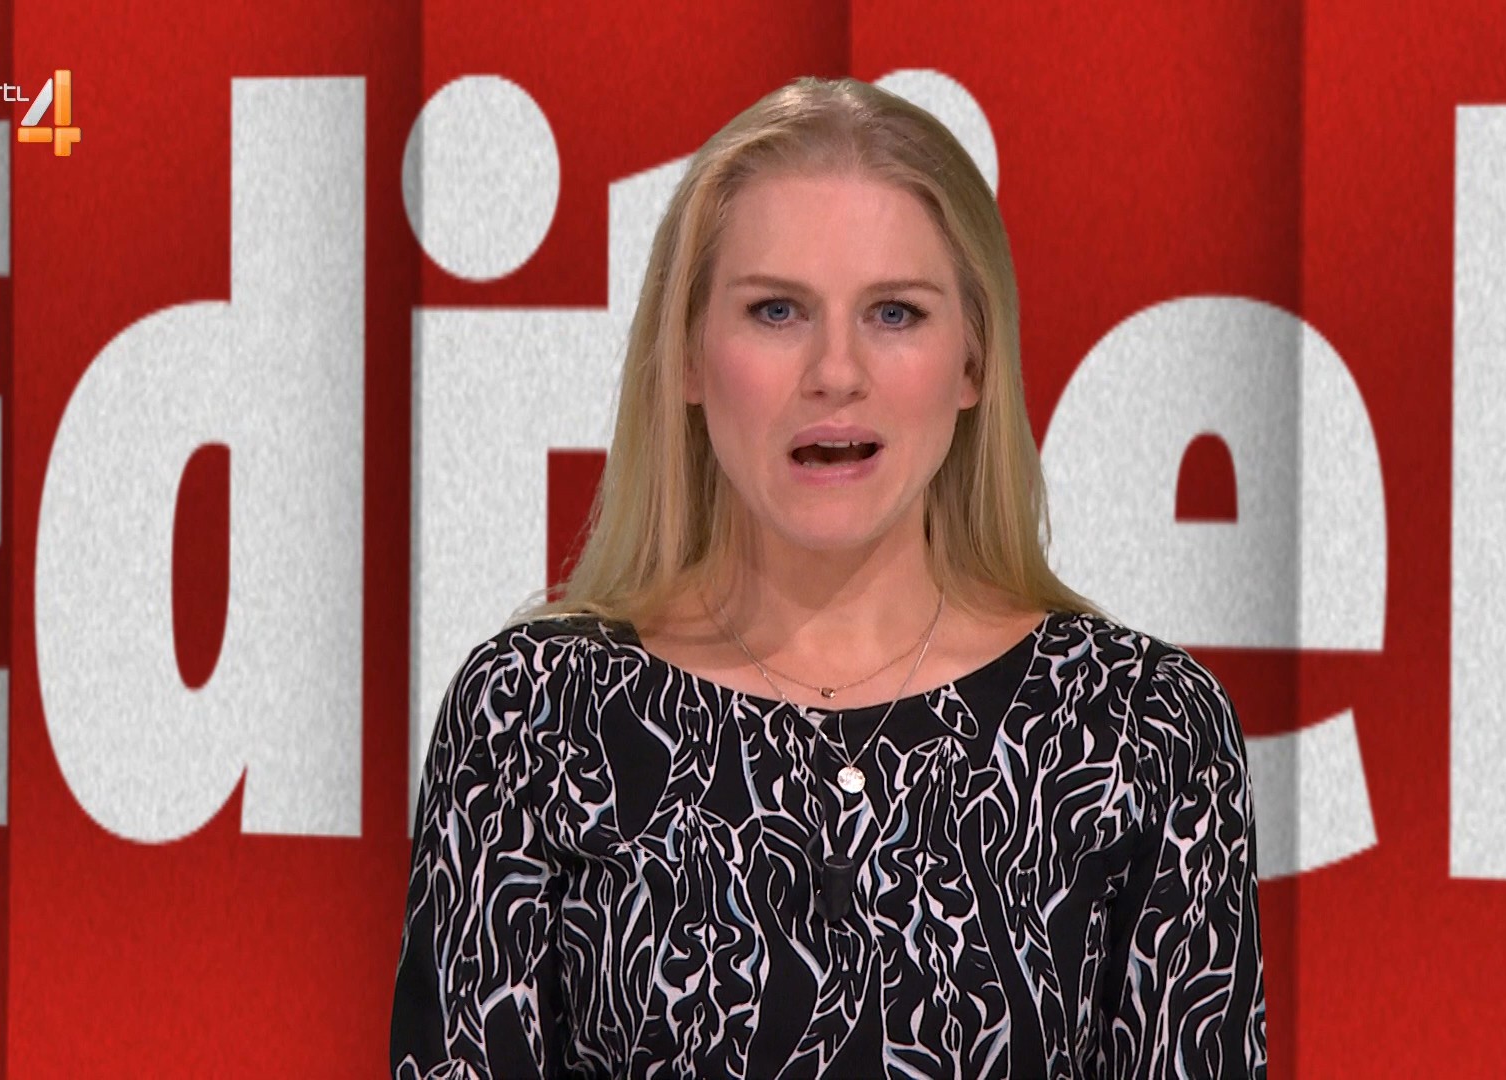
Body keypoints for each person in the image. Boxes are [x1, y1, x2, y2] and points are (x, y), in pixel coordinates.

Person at [391, 75, 1266, 1079]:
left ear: (974, 363)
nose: (836, 371)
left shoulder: (1144, 729)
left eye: (895, 313)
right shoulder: (531, 718)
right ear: (687, 357)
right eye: (776, 311)